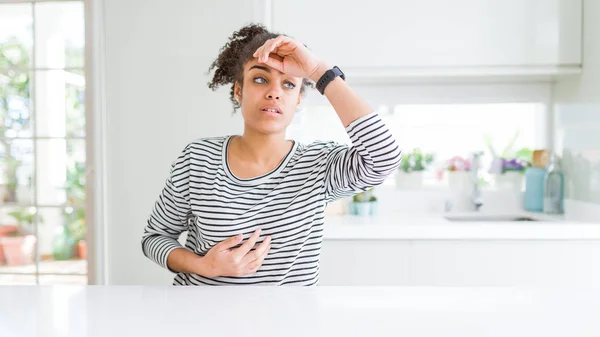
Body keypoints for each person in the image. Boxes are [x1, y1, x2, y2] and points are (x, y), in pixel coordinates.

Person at [141, 23, 402, 286]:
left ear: (298, 100)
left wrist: (319, 71)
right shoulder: (198, 159)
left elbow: (384, 158)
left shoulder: (318, 165)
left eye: (288, 84)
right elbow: (154, 237)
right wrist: (203, 265)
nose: (274, 92)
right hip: (201, 321)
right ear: (238, 91)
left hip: (286, 324)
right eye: (260, 79)